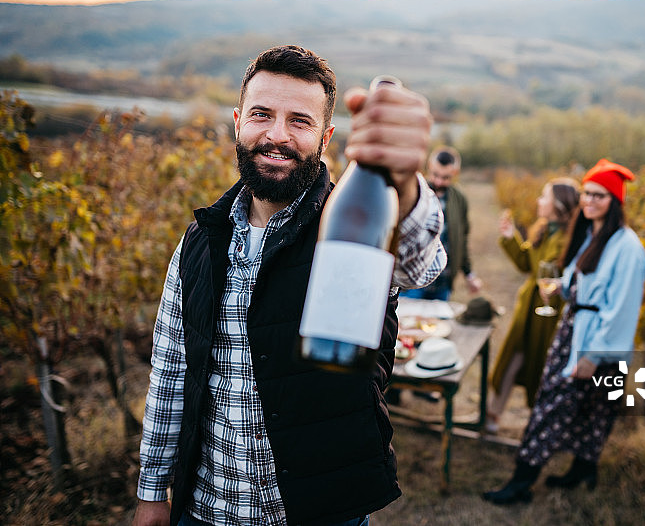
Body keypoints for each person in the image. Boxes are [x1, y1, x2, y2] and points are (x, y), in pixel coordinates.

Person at [132, 45, 446, 526]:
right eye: (261, 115)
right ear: (238, 122)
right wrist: (153, 492)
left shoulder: (350, 220)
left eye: (299, 121)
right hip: (205, 510)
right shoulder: (199, 240)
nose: (276, 136)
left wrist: (404, 191)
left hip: (319, 513)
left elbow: (417, 265)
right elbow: (171, 371)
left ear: (326, 137)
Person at [482, 158, 645, 505]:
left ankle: (521, 481)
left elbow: (621, 309)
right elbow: (581, 279)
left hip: (596, 342)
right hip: (575, 329)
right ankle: (580, 470)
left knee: (565, 408)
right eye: (587, 193)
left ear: (615, 201)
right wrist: (560, 286)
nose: (589, 201)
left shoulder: (628, 247)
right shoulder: (591, 235)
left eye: (599, 196)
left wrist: (592, 355)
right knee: (587, 408)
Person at [485, 177, 580, 434]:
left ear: (559, 205)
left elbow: (547, 274)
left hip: (548, 313)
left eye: (544, 196)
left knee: (539, 364)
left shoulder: (567, 240)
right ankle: (493, 414)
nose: (539, 200)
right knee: (512, 357)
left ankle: (536, 424)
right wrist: (510, 238)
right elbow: (527, 264)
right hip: (529, 307)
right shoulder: (544, 228)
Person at [402, 146, 481, 301]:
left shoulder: (459, 200)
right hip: (412, 282)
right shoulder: (414, 193)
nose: (439, 181)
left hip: (443, 283)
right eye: (435, 175)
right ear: (429, 168)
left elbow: (462, 240)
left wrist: (469, 274)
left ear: (455, 174)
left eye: (445, 177)